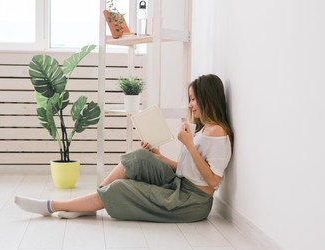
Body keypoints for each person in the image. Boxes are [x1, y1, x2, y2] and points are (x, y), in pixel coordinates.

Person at [15, 74, 234, 223]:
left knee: (119, 188)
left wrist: (188, 144)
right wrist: (159, 157)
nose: (190, 104)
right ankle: (89, 202)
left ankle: (53, 205)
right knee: (138, 157)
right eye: (190, 99)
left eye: (194, 99)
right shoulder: (205, 129)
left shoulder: (218, 133)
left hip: (191, 201)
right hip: (181, 183)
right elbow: (189, 169)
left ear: (208, 99)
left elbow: (213, 181)